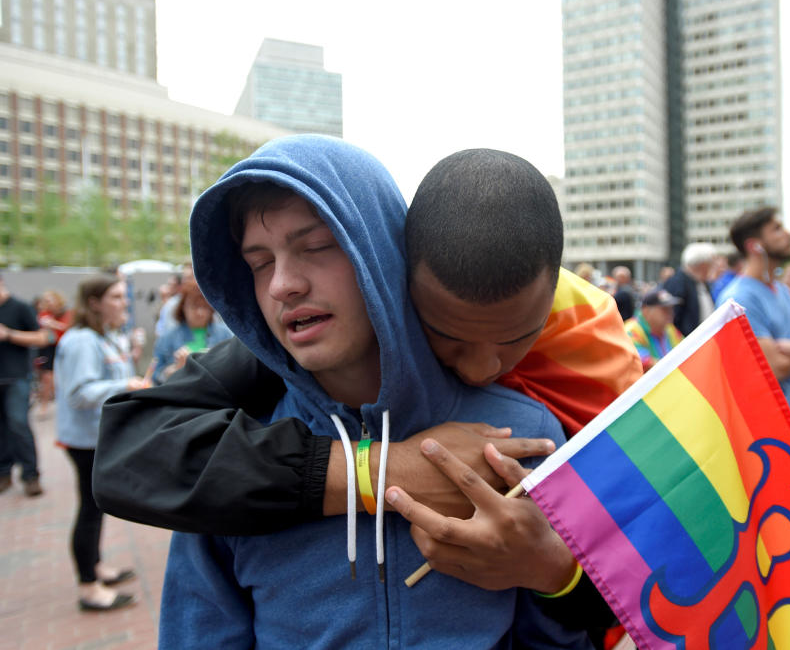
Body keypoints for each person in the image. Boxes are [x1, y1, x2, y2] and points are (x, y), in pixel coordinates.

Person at [96, 145, 642, 647]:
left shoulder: (524, 431)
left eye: (316, 245)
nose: (284, 283)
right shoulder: (224, 461)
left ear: (382, 255)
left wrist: (550, 571)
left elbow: (569, 630)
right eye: (259, 262)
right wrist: (374, 472)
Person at [54, 277, 149, 611]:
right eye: (117, 297)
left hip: (98, 437)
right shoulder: (82, 340)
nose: (124, 303)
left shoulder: (105, 336)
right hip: (86, 441)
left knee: (95, 507)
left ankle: (94, 567)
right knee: (90, 511)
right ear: (94, 302)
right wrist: (127, 385)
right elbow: (79, 394)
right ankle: (89, 588)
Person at [716, 207, 790, 431]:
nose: (788, 234)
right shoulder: (739, 298)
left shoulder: (783, 291)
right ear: (754, 246)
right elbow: (776, 367)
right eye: (777, 229)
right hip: (765, 425)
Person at [0, 275, 52, 497]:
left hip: (17, 377)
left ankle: (30, 475)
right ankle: (4, 473)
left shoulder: (20, 307)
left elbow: (43, 337)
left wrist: (9, 334)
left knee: (18, 423)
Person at [150, 280, 232, 384]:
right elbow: (155, 376)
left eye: (205, 307)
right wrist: (175, 369)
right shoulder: (167, 338)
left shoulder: (225, 334)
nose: (200, 312)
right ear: (183, 307)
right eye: (194, 306)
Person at [663, 242, 717, 336]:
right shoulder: (678, 283)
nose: (713, 268)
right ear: (702, 265)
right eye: (710, 264)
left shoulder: (702, 283)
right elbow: (673, 318)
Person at [624, 289, 683, 371]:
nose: (671, 313)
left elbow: (686, 351)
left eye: (671, 309)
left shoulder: (670, 329)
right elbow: (641, 362)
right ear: (647, 311)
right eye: (664, 309)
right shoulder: (631, 330)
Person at [34, 290, 72, 414]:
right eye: (46, 301)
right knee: (47, 377)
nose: (48, 303)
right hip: (50, 348)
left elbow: (68, 327)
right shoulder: (45, 314)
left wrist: (54, 324)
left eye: (50, 300)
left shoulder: (67, 313)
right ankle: (44, 406)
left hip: (64, 347)